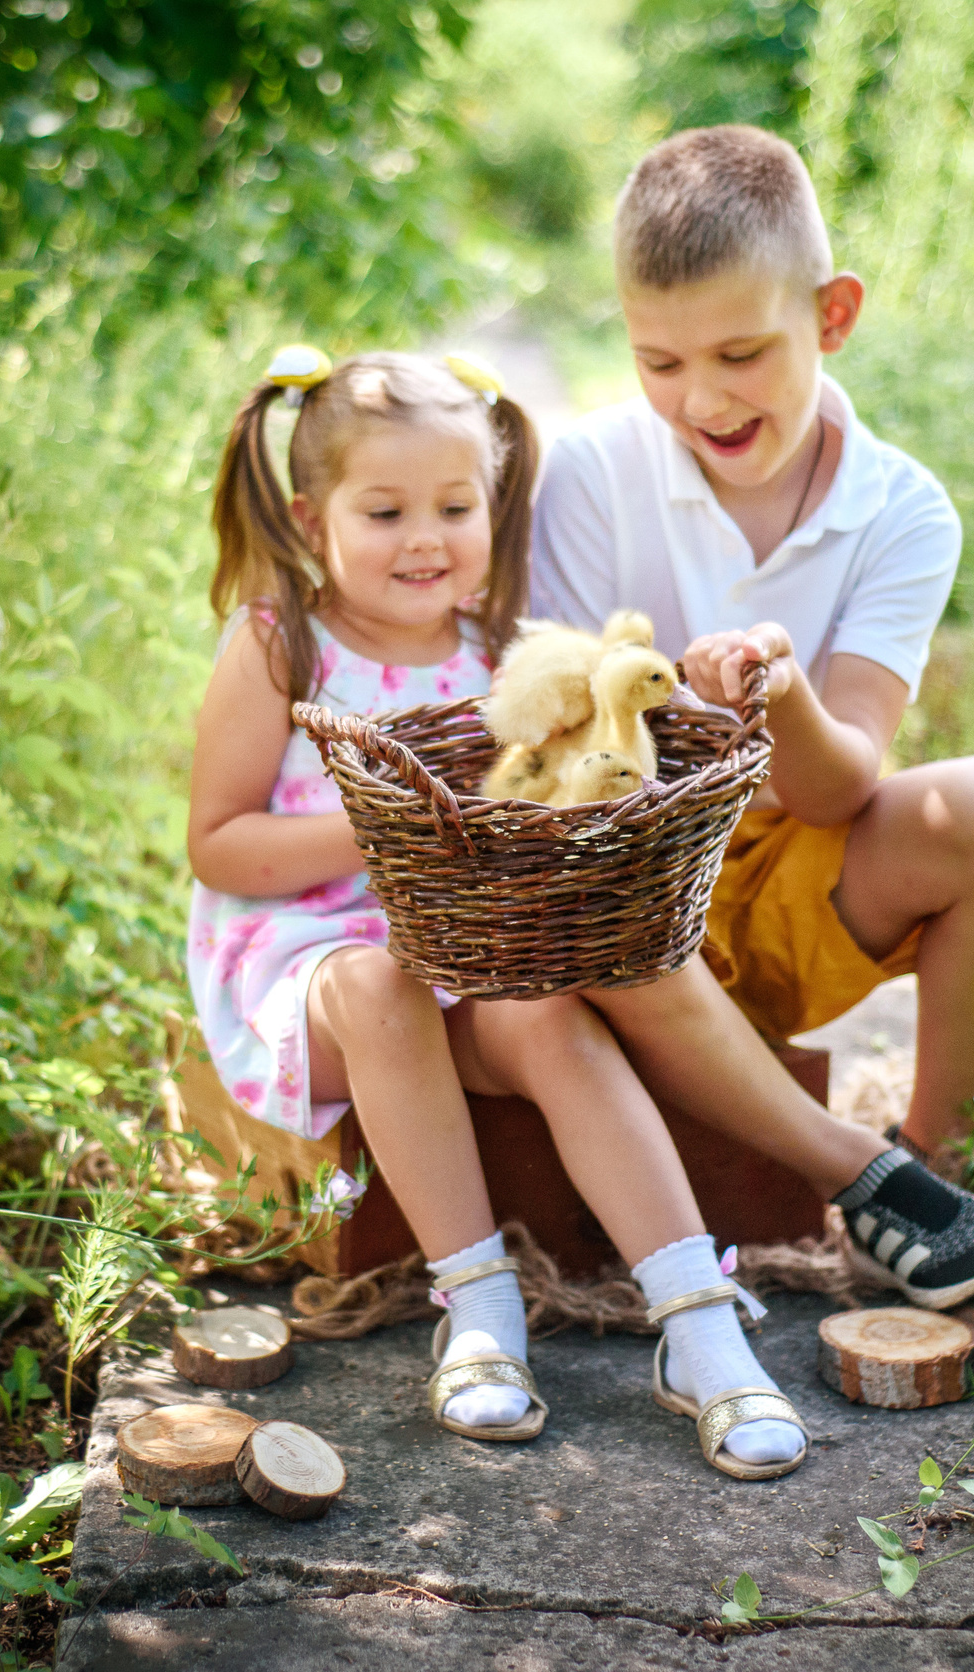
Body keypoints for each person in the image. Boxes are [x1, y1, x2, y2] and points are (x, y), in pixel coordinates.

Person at [186, 346, 811, 1478]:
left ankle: (695, 1318)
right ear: (309, 511)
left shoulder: (500, 655)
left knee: (547, 1014)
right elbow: (217, 838)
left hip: (460, 952)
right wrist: (390, 828)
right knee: (380, 986)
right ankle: (477, 1305)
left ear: (492, 506)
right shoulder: (284, 642)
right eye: (385, 510)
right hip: (304, 957)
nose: (425, 538)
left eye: (454, 506)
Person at [532, 126, 974, 1308]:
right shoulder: (590, 472)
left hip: (786, 895)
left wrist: (780, 694)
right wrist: (669, 704)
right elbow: (557, 758)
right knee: (574, 875)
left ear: (832, 315)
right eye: (657, 362)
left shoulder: (901, 510)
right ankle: (859, 1173)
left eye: (739, 352)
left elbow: (843, 783)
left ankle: (933, 1156)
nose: (700, 399)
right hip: (621, 904)